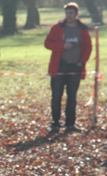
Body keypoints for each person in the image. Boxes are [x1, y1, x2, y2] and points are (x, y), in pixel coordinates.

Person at [45, 2, 91, 134]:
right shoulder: (57, 27)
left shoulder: (82, 29)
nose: (69, 15)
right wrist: (62, 46)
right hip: (59, 66)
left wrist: (82, 62)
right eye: (67, 13)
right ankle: (55, 123)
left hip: (75, 67)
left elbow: (88, 47)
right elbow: (47, 43)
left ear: (77, 14)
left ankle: (70, 124)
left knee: (72, 97)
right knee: (56, 96)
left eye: (71, 13)